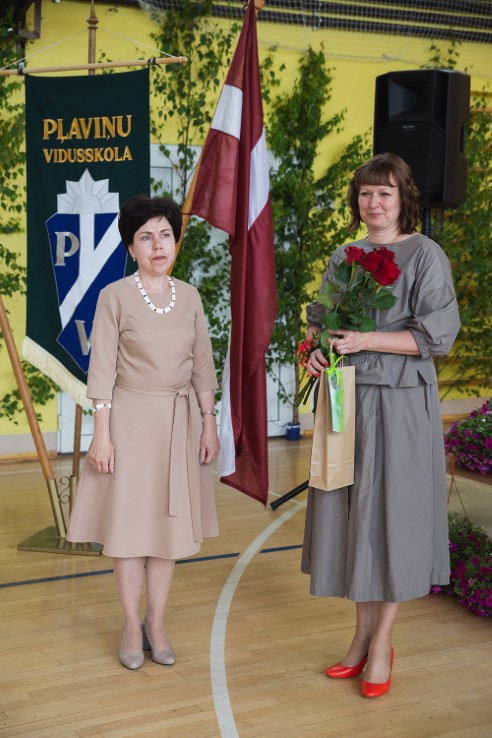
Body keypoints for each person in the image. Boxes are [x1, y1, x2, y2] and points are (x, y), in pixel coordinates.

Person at [301, 153, 460, 698]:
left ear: (403, 199)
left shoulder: (426, 255)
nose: (374, 203)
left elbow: (437, 335)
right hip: (345, 398)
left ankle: (383, 644)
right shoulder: (345, 256)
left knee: (392, 518)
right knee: (354, 517)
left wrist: (367, 340)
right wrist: (315, 351)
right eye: (366, 193)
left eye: (384, 193)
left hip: (399, 401)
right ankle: (360, 639)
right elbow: (321, 324)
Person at [67, 195, 220, 670]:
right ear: (131, 248)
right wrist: (102, 434)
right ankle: (131, 625)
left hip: (179, 423)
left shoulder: (189, 296)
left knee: (167, 531)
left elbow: (202, 365)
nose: (158, 245)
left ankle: (157, 622)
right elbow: (102, 369)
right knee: (131, 530)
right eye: (146, 237)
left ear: (176, 242)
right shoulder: (114, 296)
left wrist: (209, 422)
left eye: (166, 235)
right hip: (129, 423)